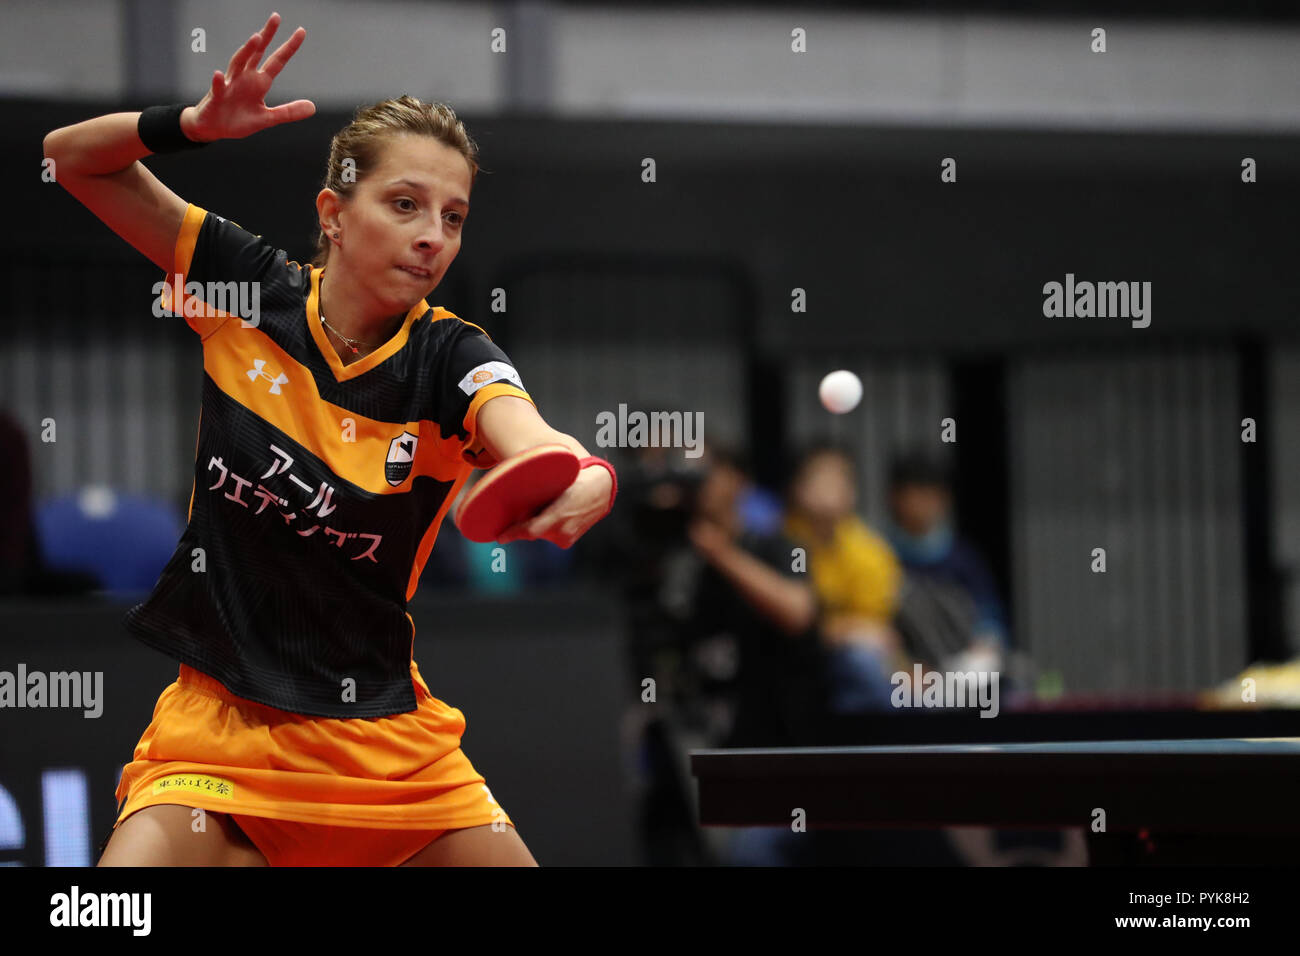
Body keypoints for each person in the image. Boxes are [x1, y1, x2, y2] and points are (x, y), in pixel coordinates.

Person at [44, 13, 616, 866]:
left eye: (453, 217)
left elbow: (524, 431)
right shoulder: (246, 290)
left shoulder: (449, 355)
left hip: (386, 747)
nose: (433, 236)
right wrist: (189, 128)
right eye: (405, 204)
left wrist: (584, 475)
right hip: (220, 734)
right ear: (335, 213)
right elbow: (70, 157)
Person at [782, 442, 904, 713]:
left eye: (840, 480)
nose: (831, 489)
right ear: (797, 487)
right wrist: (835, 630)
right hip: (789, 658)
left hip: (847, 661)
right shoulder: (778, 541)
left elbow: (873, 629)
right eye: (820, 479)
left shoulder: (871, 551)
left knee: (861, 662)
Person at [885, 449, 1007, 674]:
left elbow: (989, 617)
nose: (923, 504)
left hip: (962, 668)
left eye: (931, 496)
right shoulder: (880, 555)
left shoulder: (964, 558)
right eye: (915, 494)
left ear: (945, 499)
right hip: (904, 671)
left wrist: (984, 646)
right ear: (895, 497)